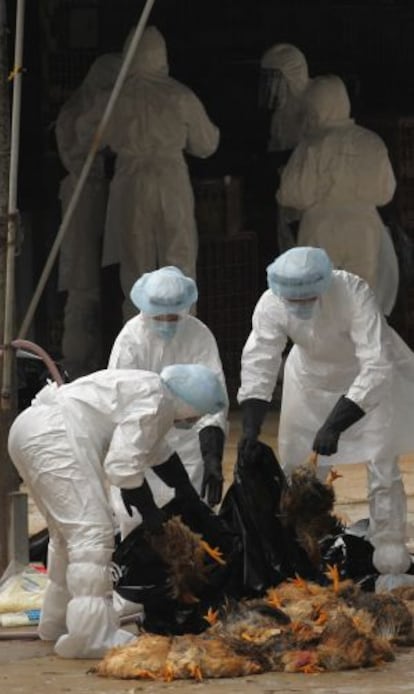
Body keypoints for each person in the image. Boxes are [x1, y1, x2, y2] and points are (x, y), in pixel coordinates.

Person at [8, 364, 228, 658]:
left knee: (66, 536)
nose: (194, 421)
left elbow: (157, 454)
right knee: (93, 535)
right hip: (54, 436)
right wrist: (150, 513)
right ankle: (91, 636)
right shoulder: (158, 403)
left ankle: (57, 621)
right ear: (190, 404)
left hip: (28, 429)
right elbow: (122, 467)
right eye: (197, 414)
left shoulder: (150, 390)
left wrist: (188, 496)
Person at [237, 246, 414, 590]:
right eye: (294, 300)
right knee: (297, 475)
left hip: (368, 381)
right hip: (308, 382)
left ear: (325, 285)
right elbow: (260, 360)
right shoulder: (271, 302)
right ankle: (300, 559)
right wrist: (249, 429)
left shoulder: (353, 292)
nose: (301, 306)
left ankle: (390, 562)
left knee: (382, 467)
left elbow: (376, 365)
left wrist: (336, 423)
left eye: (308, 299)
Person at [77, 25, 220, 321]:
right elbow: (207, 143)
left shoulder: (113, 97)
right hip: (171, 178)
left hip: (130, 180)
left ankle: (140, 346)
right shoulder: (179, 95)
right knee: (179, 260)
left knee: (135, 267)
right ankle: (184, 339)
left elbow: (85, 135)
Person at [108, 265, 228, 539]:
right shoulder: (130, 339)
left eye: (172, 317)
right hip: (139, 438)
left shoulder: (199, 335)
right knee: (138, 522)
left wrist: (212, 456)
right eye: (158, 317)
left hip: (188, 442)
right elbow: (122, 406)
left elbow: (212, 398)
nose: (165, 322)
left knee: (192, 520)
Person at [277, 74, 399, 317]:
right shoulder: (371, 142)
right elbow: (386, 192)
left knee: (320, 306)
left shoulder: (311, 145)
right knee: (360, 305)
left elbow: (291, 195)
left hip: (320, 229)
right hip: (364, 230)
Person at [56, 52, 121, 378]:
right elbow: (82, 146)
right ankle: (75, 365)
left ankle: (95, 360)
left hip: (101, 196)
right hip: (83, 196)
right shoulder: (78, 111)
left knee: (104, 282)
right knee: (82, 285)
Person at [258, 43, 311, 258]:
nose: (271, 86)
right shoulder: (281, 113)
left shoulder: (311, 105)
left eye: (275, 78)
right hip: (287, 193)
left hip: (306, 196)